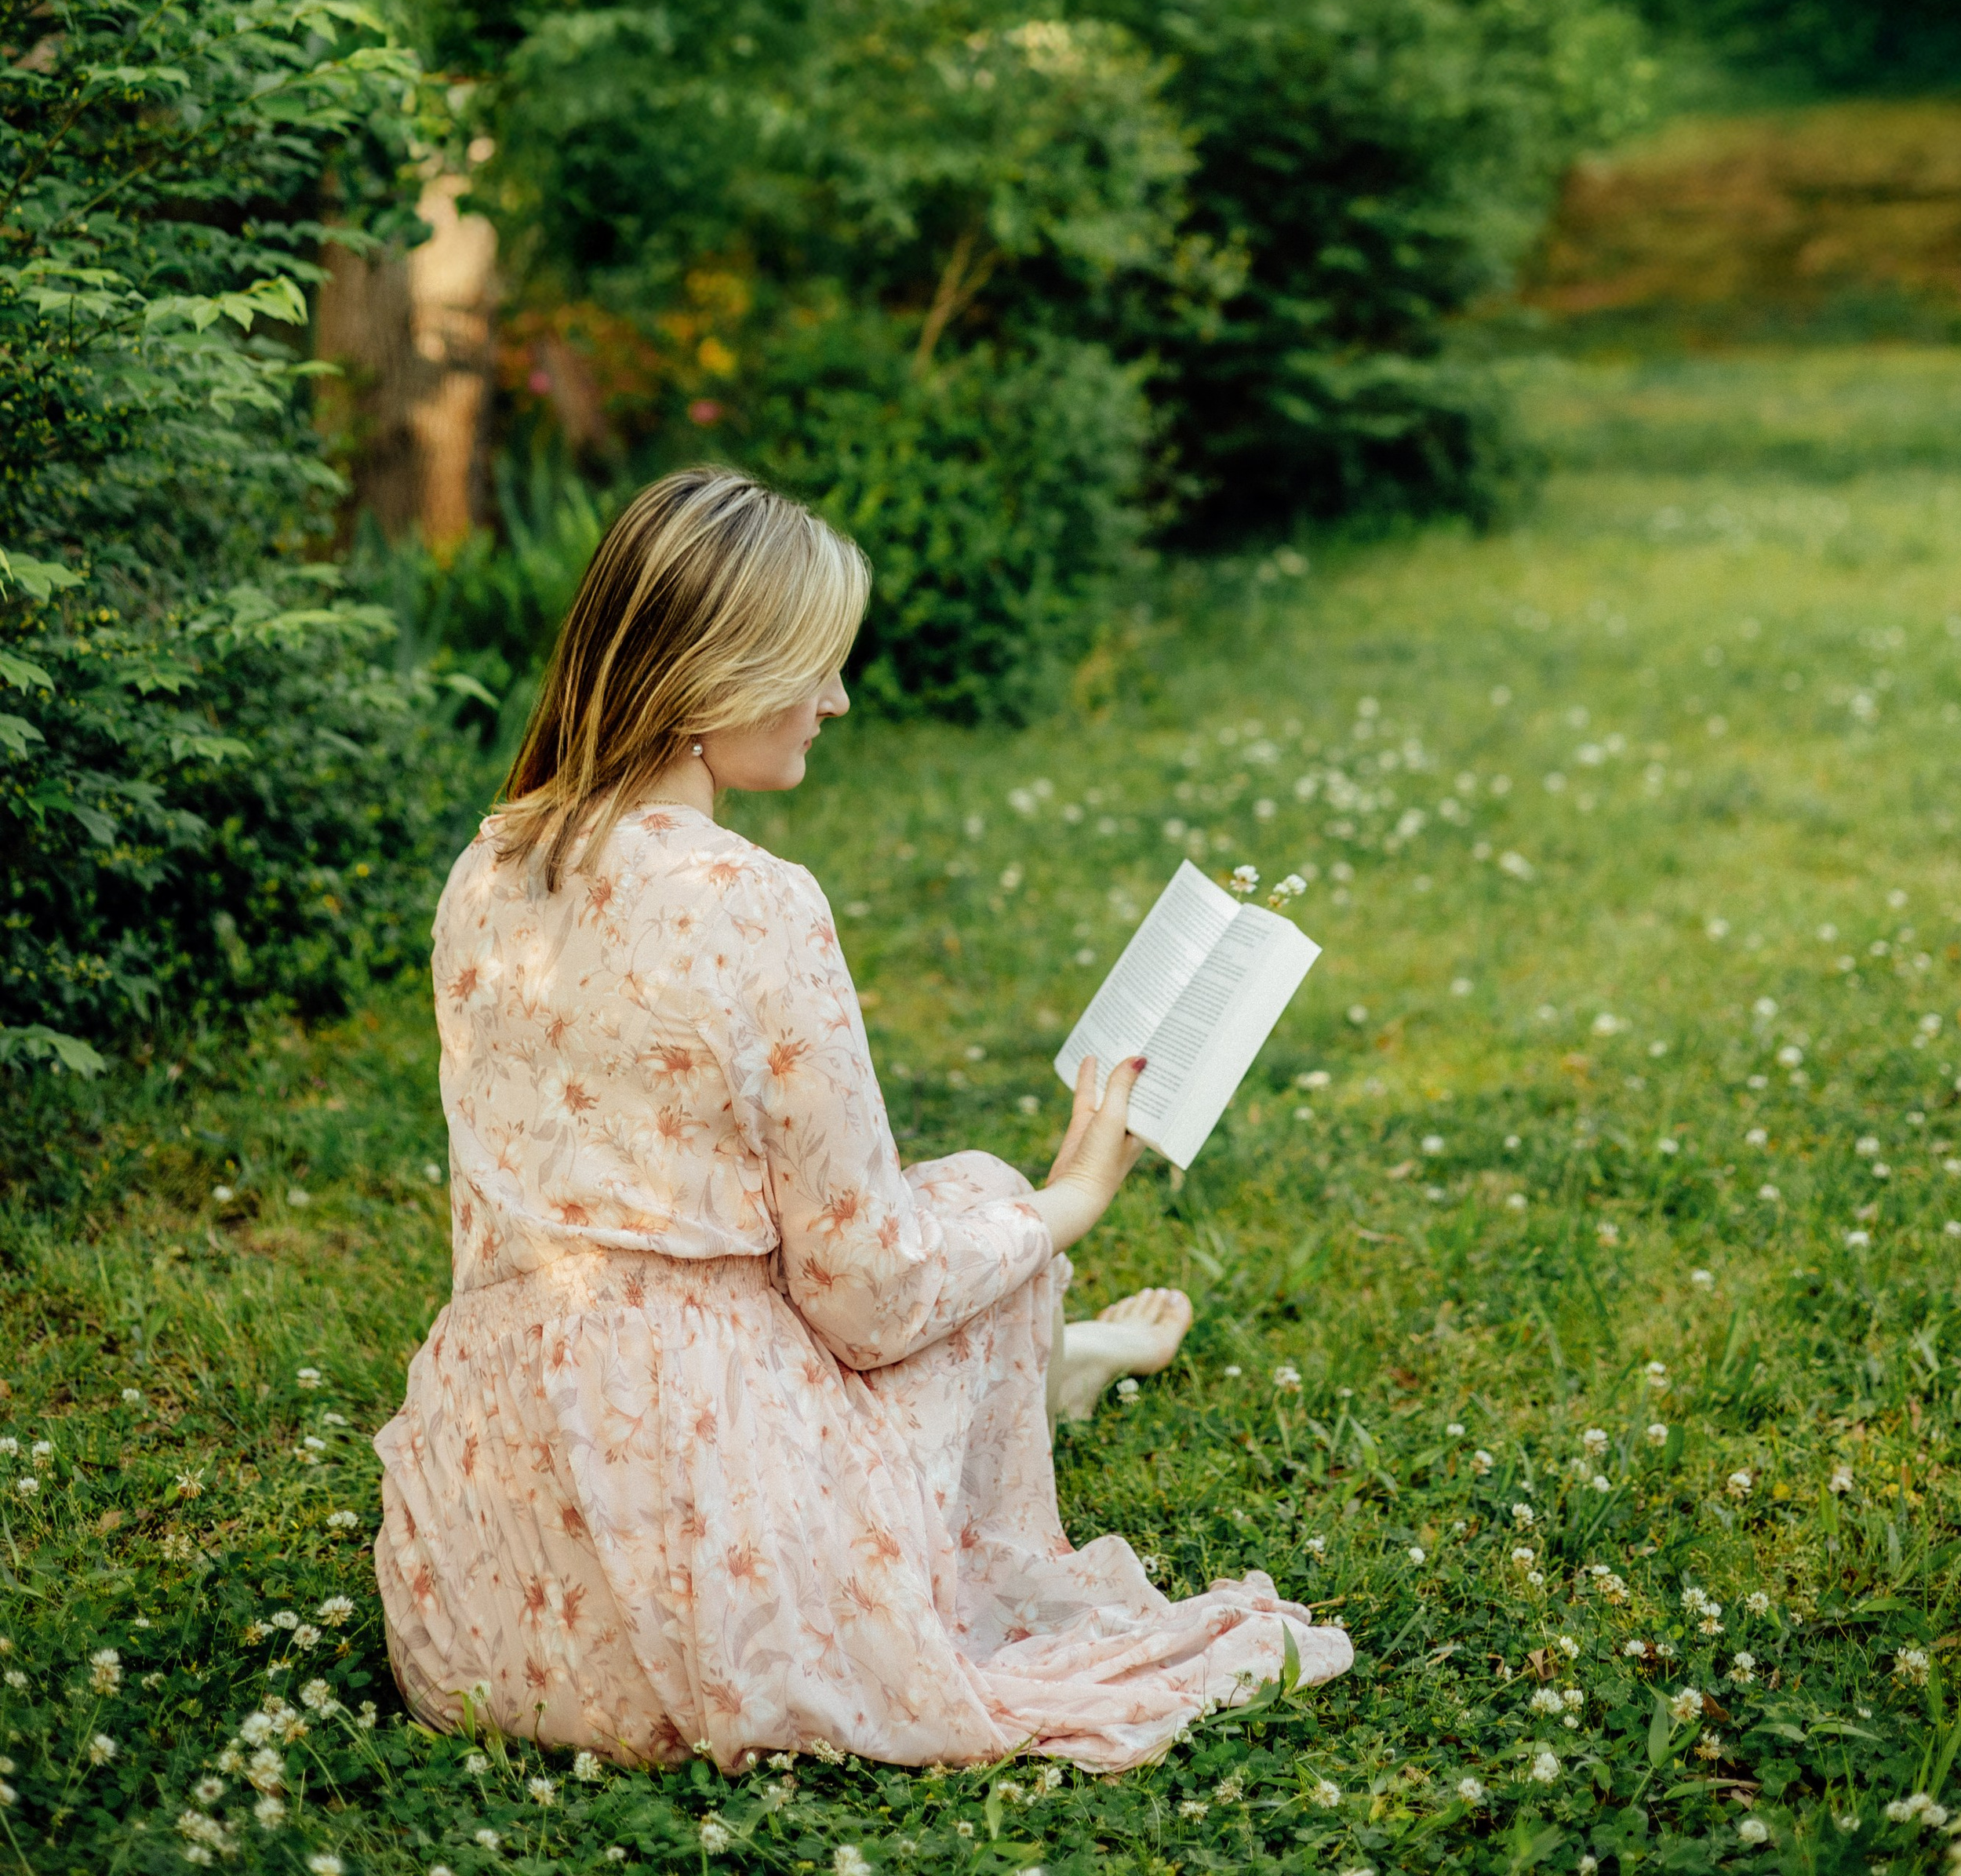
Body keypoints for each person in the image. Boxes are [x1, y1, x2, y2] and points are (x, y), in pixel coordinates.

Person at [373, 468, 1352, 1772]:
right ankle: (1049, 1357)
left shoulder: (489, 864)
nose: (835, 700)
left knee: (924, 1229)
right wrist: (1070, 1199)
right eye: (814, 668)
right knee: (982, 1199)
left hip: (485, 1581)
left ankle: (1055, 1359)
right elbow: (868, 1295)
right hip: (703, 1573)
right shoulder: (756, 901)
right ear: (711, 683)